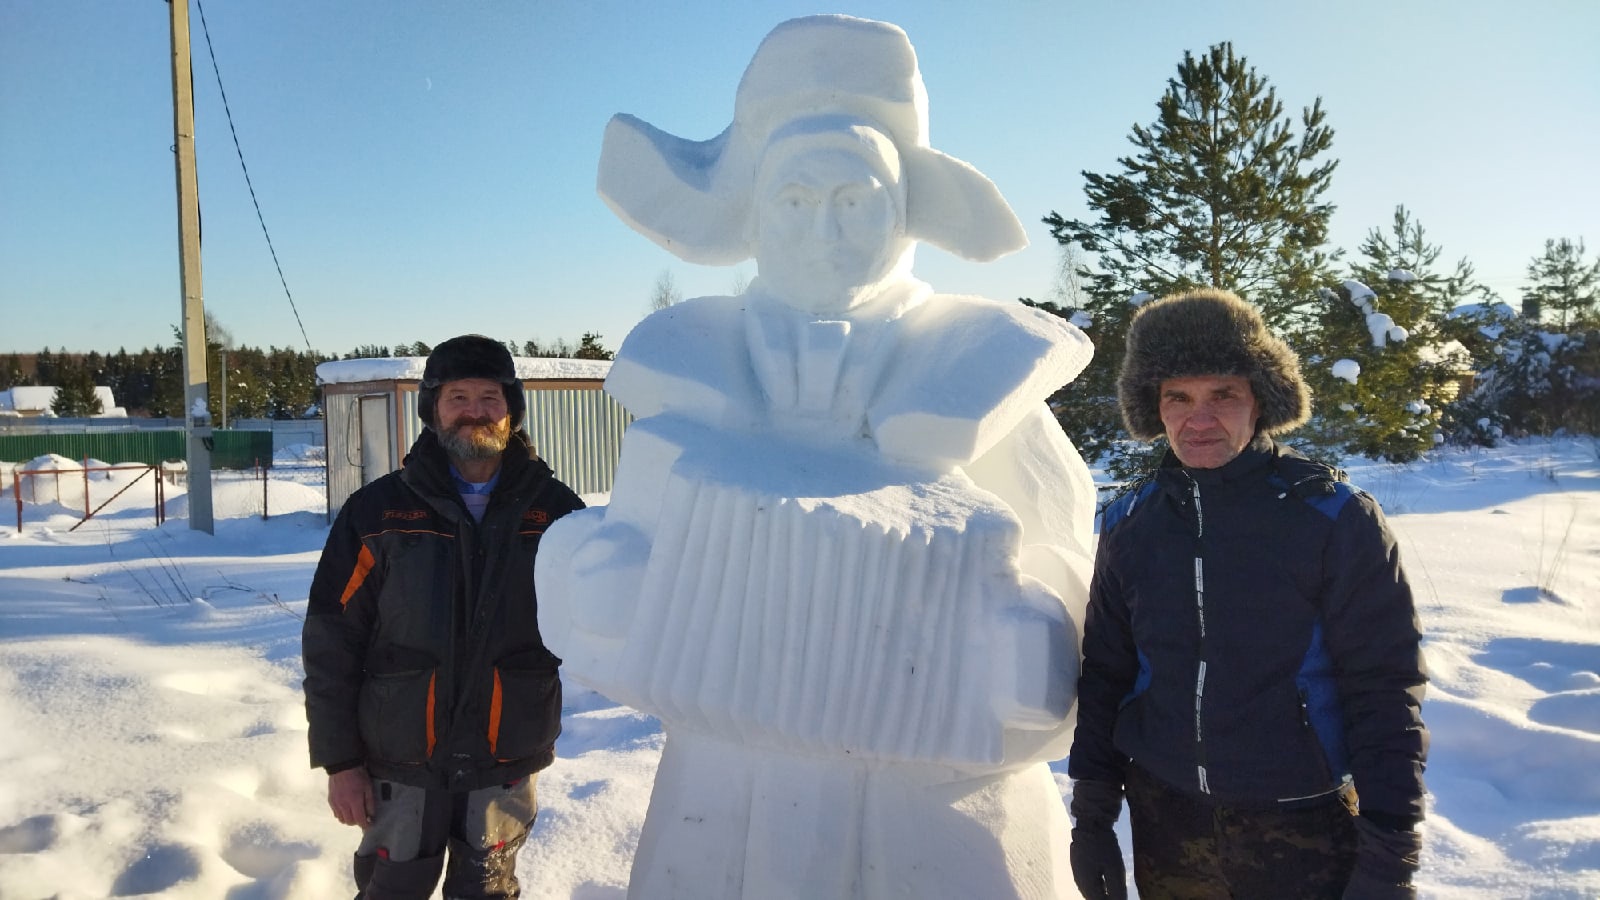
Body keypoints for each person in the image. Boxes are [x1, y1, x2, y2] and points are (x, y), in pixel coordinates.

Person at [537, 15, 1098, 898]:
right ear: (754, 212)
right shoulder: (682, 367)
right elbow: (610, 549)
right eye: (794, 200)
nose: (822, 233)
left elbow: (1069, 546)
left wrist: (1044, 634)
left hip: (937, 807)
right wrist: (592, 581)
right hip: (723, 798)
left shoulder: (984, 368)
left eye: (855, 200)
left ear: (904, 208)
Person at [1066, 288, 1429, 900]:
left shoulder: (1332, 519)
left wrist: (1391, 853)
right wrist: (1094, 817)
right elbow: (1106, 673)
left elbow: (1384, 686)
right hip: (1167, 822)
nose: (1198, 418)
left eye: (1222, 395)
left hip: (1300, 827)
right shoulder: (1131, 523)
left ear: (1259, 399)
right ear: (1154, 408)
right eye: (1177, 397)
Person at [302, 335, 584, 899]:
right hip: (399, 758)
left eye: (490, 397)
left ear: (512, 409)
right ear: (434, 409)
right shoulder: (378, 512)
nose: (474, 411)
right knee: (393, 890)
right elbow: (331, 640)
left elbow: (600, 616)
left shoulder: (555, 513)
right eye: (458, 396)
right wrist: (339, 762)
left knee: (487, 890)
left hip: (504, 748)